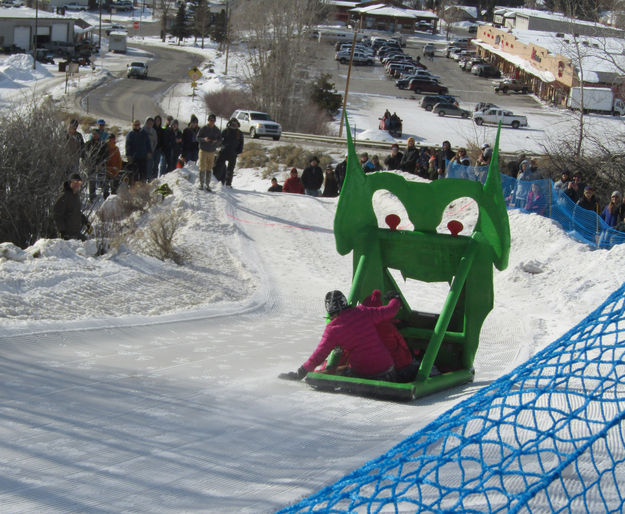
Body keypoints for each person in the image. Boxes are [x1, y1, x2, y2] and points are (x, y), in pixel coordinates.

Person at [279, 290, 400, 382]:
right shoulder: (363, 311)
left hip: (363, 372)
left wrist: (300, 373)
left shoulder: (332, 329)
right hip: (387, 370)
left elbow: (319, 355)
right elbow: (390, 310)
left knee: (338, 371)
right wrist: (395, 298)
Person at [362, 290, 418, 383]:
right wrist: (413, 353)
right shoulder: (388, 326)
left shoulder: (361, 327)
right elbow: (402, 344)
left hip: (372, 366)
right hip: (398, 365)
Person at [53, 173, 90, 241]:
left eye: (79, 183)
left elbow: (75, 212)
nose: (77, 185)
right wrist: (62, 231)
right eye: (75, 182)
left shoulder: (76, 196)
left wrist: (85, 222)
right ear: (70, 183)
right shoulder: (64, 196)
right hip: (66, 235)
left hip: (76, 233)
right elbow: (57, 215)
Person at [214, 117, 244, 187]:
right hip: (224, 152)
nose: (234, 125)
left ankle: (228, 184)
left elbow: (241, 144)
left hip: (233, 153)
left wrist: (237, 152)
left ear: (237, 124)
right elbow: (220, 140)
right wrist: (221, 146)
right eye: (232, 124)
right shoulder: (225, 131)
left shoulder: (239, 133)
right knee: (218, 167)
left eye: (235, 124)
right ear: (229, 124)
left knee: (230, 170)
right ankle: (215, 181)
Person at [197, 113, 222, 191]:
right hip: (203, 150)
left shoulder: (217, 130)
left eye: (213, 120)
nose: (212, 122)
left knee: (209, 168)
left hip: (212, 151)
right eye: (210, 120)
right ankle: (201, 183)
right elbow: (197, 138)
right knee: (202, 167)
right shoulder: (203, 128)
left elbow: (220, 140)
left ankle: (207, 184)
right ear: (208, 120)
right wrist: (204, 139)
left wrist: (216, 141)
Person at [84, 128, 108, 203]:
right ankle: (92, 196)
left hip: (101, 165)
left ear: (99, 135)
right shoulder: (88, 144)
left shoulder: (103, 144)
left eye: (96, 134)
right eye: (93, 134)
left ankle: (105, 195)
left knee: (102, 180)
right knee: (92, 181)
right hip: (91, 165)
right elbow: (84, 153)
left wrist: (101, 163)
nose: (95, 135)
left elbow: (106, 154)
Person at [105, 133, 122, 197]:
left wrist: (118, 168)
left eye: (112, 139)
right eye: (110, 139)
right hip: (106, 170)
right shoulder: (105, 148)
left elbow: (119, 160)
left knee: (114, 188)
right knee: (105, 188)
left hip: (114, 171)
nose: (111, 140)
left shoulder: (116, 149)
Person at [142, 117, 157, 181]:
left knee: (149, 166)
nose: (150, 123)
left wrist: (151, 150)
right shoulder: (142, 130)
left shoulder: (153, 131)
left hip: (150, 152)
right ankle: (143, 179)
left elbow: (155, 142)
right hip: (142, 152)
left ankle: (149, 178)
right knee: (143, 166)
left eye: (151, 122)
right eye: (149, 122)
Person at [152, 114, 165, 179]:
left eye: (159, 120)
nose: (158, 121)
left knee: (156, 165)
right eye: (156, 120)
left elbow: (162, 139)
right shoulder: (152, 129)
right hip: (152, 149)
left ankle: (154, 178)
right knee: (151, 165)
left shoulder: (161, 130)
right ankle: (150, 178)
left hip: (158, 149)